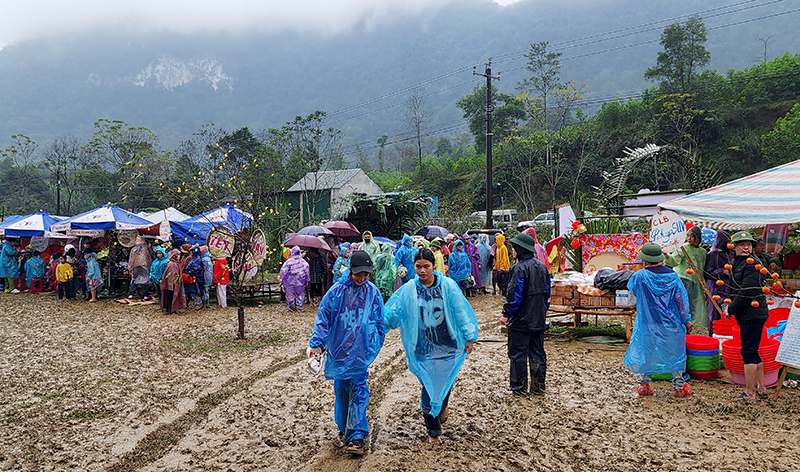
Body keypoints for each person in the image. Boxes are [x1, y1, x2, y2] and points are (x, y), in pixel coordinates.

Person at [383, 248, 478, 444]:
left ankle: (441, 406)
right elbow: (394, 312)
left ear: (434, 266)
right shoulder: (409, 289)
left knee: (445, 381)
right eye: (418, 267)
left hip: (447, 343)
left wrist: (469, 336)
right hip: (422, 346)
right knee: (429, 384)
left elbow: (460, 311)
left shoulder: (448, 286)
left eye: (426, 266)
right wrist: (378, 324)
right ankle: (433, 431)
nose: (422, 271)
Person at [308, 250, 385, 456]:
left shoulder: (372, 293)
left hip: (360, 353)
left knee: (359, 391)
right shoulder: (336, 292)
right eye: (359, 274)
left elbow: (379, 321)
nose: (362, 278)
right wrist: (317, 343)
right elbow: (324, 318)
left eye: (366, 275)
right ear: (350, 270)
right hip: (340, 352)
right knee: (342, 391)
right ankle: (345, 427)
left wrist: (374, 343)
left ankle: (357, 435)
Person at [623, 242, 692, 397]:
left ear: (644, 260)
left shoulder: (639, 276)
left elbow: (633, 292)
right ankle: (679, 387)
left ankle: (644, 385)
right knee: (675, 353)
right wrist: (685, 320)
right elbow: (680, 300)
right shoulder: (672, 276)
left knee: (646, 352)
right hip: (670, 323)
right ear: (660, 259)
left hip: (647, 322)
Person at [500, 233, 551, 396]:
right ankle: (538, 386)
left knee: (518, 354)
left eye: (514, 248)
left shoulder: (518, 268)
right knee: (537, 352)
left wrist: (506, 314)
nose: (512, 251)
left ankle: (519, 388)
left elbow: (515, 295)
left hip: (521, 321)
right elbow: (547, 294)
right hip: (538, 318)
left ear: (520, 250)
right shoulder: (542, 267)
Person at [728, 231, 770, 400]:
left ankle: (749, 392)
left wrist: (731, 309)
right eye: (742, 244)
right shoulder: (736, 262)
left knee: (748, 351)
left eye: (749, 244)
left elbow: (748, 291)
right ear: (734, 247)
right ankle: (761, 387)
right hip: (748, 313)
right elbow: (736, 287)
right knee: (753, 349)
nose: (746, 247)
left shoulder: (753, 264)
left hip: (752, 313)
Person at [665, 225, 707, 327]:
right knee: (682, 303)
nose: (689, 239)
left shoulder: (703, 252)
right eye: (687, 236)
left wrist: (703, 287)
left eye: (692, 236)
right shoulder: (683, 248)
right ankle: (681, 323)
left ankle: (691, 325)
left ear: (697, 238)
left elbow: (703, 269)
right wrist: (667, 256)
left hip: (697, 281)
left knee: (694, 304)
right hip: (684, 279)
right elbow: (674, 260)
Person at [704, 230, 732, 335]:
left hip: (728, 287)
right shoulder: (713, 254)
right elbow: (707, 273)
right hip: (715, 288)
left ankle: (727, 332)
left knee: (728, 310)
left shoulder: (731, 253)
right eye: (726, 241)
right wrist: (722, 271)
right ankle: (713, 334)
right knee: (714, 313)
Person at [279, 246, 310, 312]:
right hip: (300, 281)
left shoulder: (288, 262)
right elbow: (307, 272)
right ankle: (299, 307)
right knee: (300, 294)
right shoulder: (303, 262)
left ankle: (291, 307)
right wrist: (306, 280)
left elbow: (284, 271)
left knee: (290, 294)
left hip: (289, 281)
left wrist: (281, 280)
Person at [160, 249, 187, 314]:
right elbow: (170, 276)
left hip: (173, 284)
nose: (179, 257)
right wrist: (171, 285)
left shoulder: (175, 263)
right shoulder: (172, 264)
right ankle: (169, 309)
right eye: (178, 255)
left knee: (172, 297)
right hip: (171, 285)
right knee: (170, 297)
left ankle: (172, 309)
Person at [128, 236, 154, 300]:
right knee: (145, 280)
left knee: (135, 279)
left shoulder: (133, 249)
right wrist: (150, 266)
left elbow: (131, 259)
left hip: (136, 266)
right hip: (145, 266)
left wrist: (130, 267)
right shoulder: (146, 248)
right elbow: (149, 258)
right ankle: (145, 295)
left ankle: (131, 294)